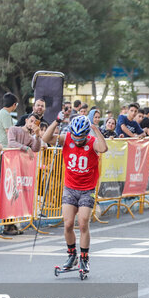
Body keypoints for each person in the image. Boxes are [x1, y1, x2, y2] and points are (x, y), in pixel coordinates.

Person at [42, 115, 108, 274]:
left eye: (81, 137)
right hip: (70, 187)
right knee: (68, 223)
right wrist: (57, 120)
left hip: (87, 189)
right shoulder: (66, 139)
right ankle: (72, 255)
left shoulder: (92, 142)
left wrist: (96, 130)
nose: (78, 141)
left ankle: (85, 258)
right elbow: (46, 138)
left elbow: (104, 148)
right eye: (76, 137)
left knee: (84, 222)